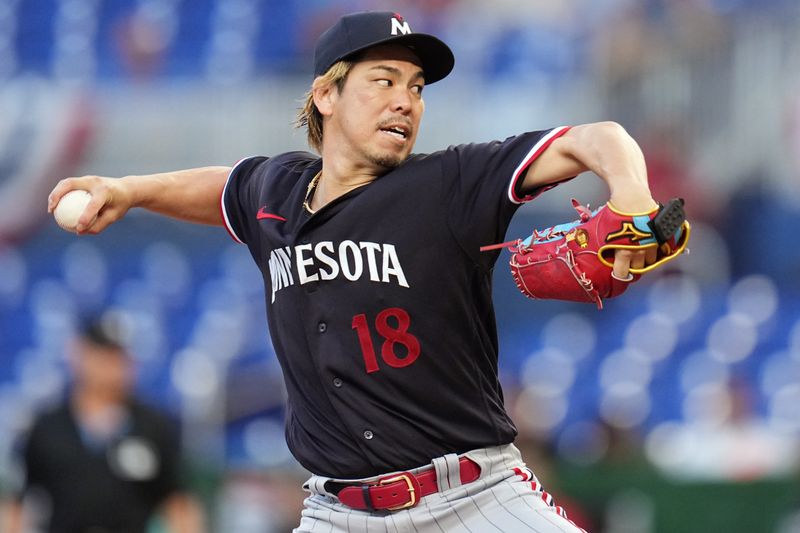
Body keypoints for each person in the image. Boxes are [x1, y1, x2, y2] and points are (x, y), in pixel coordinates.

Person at [47, 10, 664, 532]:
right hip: (336, 513)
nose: (405, 99)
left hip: (475, 500)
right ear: (326, 94)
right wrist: (128, 189)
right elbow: (222, 189)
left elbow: (595, 137)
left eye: (417, 87)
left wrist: (633, 192)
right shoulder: (277, 191)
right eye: (384, 79)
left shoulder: (448, 184)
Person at [3, 312, 205, 533]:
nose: (111, 367)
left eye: (119, 356)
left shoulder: (153, 427)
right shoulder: (47, 427)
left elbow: (179, 504)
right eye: (103, 355)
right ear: (79, 353)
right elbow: (16, 503)